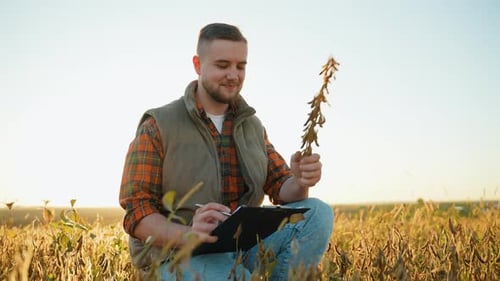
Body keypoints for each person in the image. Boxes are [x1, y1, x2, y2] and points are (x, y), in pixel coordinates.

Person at [119, 22, 334, 281]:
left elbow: (281, 187)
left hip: (240, 248)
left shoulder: (251, 125)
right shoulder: (158, 125)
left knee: (317, 213)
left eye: (240, 66)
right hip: (176, 255)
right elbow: (137, 211)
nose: (233, 75)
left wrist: (299, 180)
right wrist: (188, 235)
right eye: (223, 65)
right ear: (198, 65)